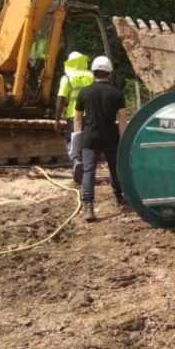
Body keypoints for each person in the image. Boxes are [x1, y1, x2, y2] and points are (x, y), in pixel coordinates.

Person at [74, 56, 127, 222]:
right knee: (115, 168)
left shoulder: (84, 92)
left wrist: (77, 142)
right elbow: (123, 120)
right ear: (109, 73)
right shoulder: (117, 94)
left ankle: (88, 207)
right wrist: (123, 138)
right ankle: (119, 197)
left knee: (88, 171)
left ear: (93, 72)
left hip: (90, 137)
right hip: (110, 136)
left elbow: (77, 119)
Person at [55, 52, 94, 183]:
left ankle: (76, 160)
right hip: (91, 114)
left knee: (72, 140)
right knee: (88, 142)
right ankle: (87, 168)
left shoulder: (67, 78)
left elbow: (61, 100)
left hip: (73, 115)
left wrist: (57, 119)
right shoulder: (91, 76)